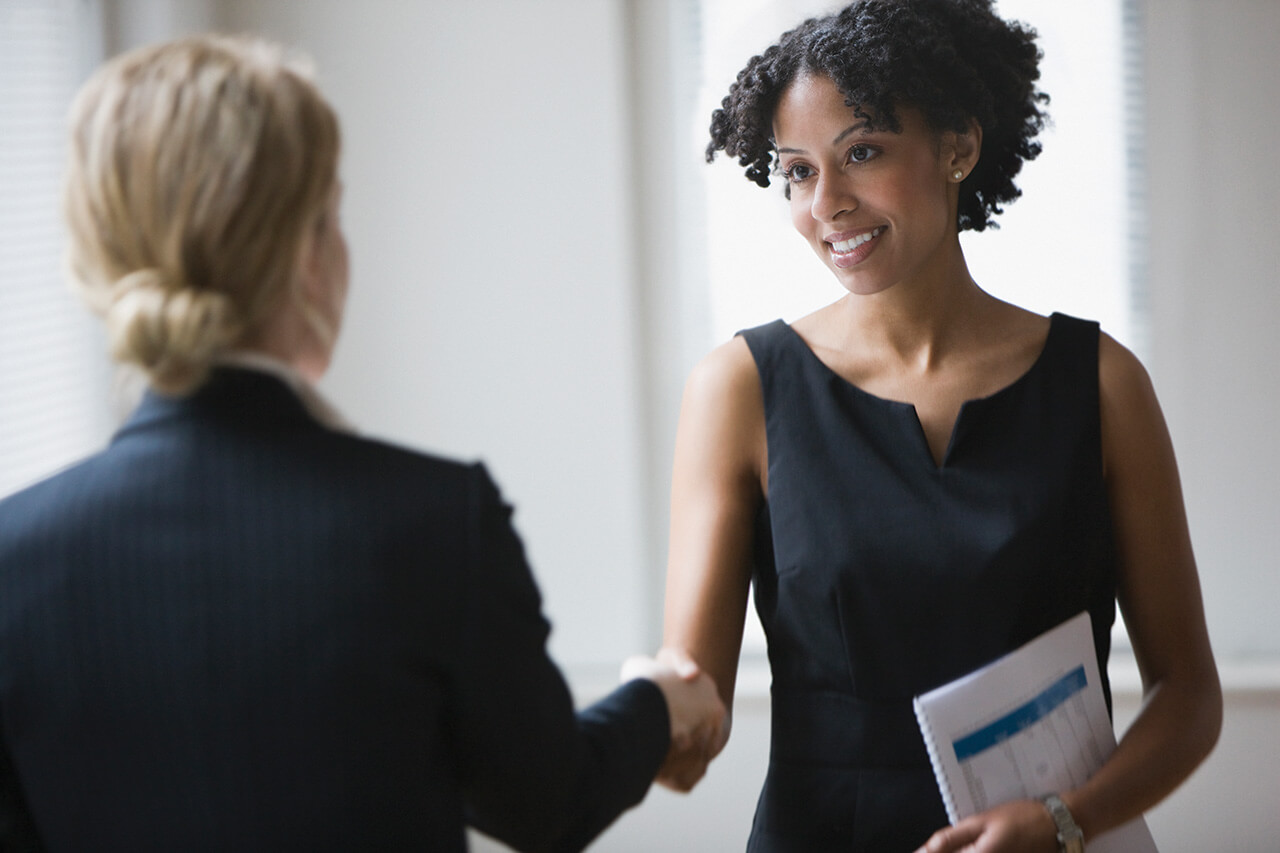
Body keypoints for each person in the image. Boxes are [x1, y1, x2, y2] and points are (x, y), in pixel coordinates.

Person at [0, 34, 724, 852]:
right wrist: (658, 702)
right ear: (307, 252)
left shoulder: (11, 557)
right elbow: (544, 801)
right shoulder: (433, 524)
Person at [659, 1, 1222, 851]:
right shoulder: (738, 389)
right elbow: (691, 703)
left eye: (862, 153)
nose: (827, 205)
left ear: (959, 145)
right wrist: (640, 735)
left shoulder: (1103, 385)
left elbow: (1188, 695)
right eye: (798, 172)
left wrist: (1064, 821)